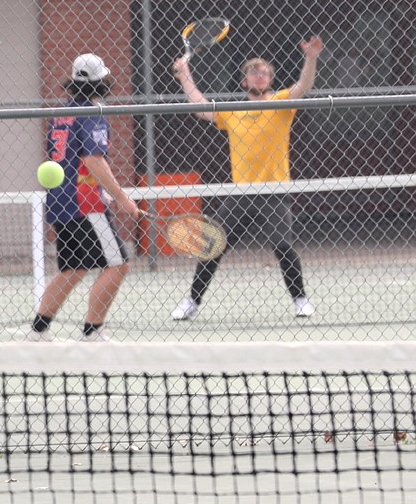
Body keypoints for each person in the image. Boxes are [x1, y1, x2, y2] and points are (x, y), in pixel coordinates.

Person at [169, 36, 324, 320]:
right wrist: (185, 76)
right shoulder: (233, 111)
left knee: (281, 244)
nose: (259, 75)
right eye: (254, 72)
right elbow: (200, 105)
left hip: (275, 192)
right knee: (212, 246)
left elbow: (304, 86)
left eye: (264, 72)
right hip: (240, 193)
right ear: (244, 81)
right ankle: (191, 301)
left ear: (270, 81)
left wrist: (311, 58)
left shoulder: (280, 103)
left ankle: (300, 299)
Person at [28, 54, 141, 343]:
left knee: (72, 268)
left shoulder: (60, 113)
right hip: (85, 202)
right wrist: (122, 198)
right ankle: (92, 331)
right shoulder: (92, 114)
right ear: (101, 82)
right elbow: (94, 161)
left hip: (59, 201)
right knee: (118, 264)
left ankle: (38, 332)